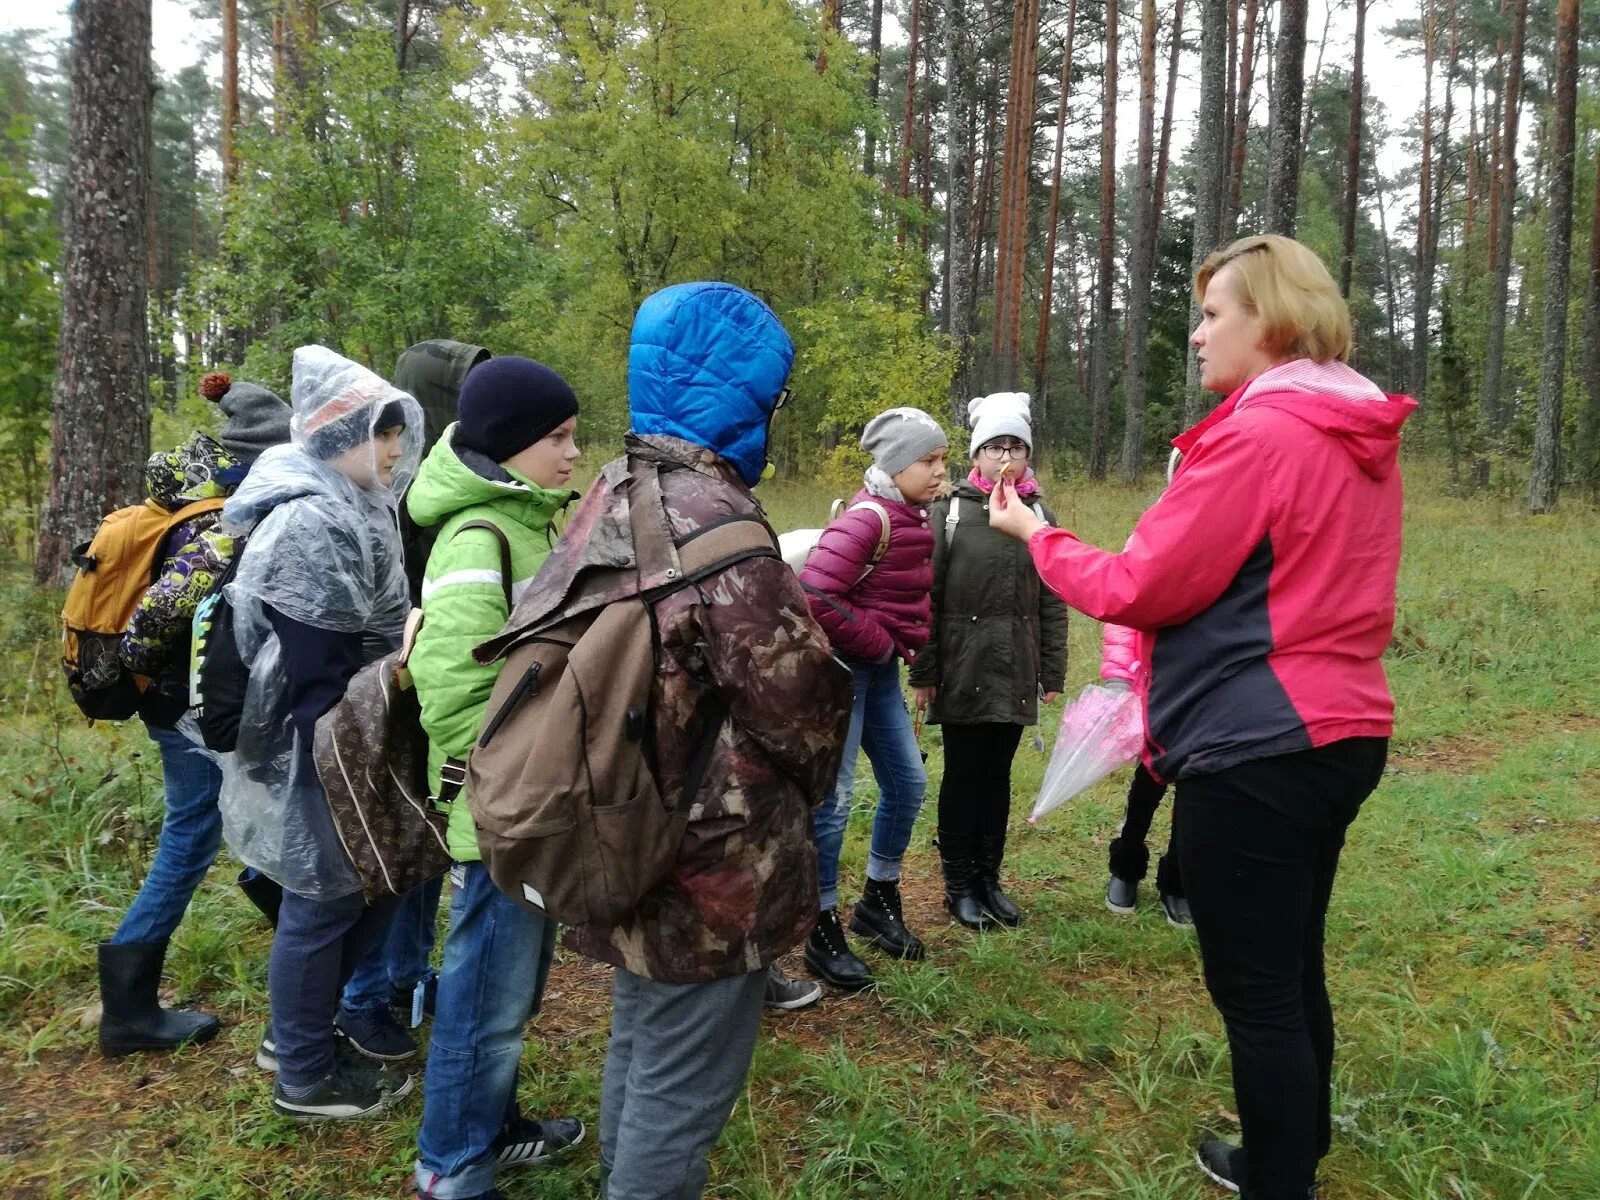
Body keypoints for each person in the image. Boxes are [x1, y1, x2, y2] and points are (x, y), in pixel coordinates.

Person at [988, 234, 1413, 1200]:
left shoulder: (1261, 435)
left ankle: (1278, 1182)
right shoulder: (1352, 432)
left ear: (1269, 319)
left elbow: (1143, 583)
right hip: (1342, 732)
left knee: (1257, 992)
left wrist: (1037, 533)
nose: (1197, 335)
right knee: (1293, 961)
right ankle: (1287, 1156)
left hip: (1257, 743)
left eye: (1214, 313)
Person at [506, 281, 850, 1199]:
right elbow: (802, 707)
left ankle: (626, 1176)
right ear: (746, 396)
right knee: (685, 1071)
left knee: (647, 1030)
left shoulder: (613, 492)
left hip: (618, 817)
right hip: (707, 859)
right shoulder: (722, 526)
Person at [217, 344, 424, 1120]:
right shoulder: (311, 520)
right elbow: (313, 673)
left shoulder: (352, 506)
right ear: (342, 438)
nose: (398, 452)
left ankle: (299, 1035)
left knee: (356, 890)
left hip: (348, 727)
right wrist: (397, 669)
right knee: (322, 898)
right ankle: (302, 1072)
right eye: (385, 435)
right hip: (319, 741)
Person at [406, 355, 587, 1199]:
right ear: (511, 443)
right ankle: (451, 1165)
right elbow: (451, 689)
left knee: (511, 993)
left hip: (535, 799)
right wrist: (521, 768)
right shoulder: (480, 537)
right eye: (557, 437)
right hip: (503, 808)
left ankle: (495, 1126)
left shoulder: (532, 520)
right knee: (484, 996)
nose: (573, 452)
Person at [98, 374, 292, 1057]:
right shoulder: (224, 519)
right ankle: (127, 1009)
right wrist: (174, 691)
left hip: (184, 705)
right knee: (193, 838)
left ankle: (314, 957)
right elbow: (151, 622)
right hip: (187, 712)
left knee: (241, 821)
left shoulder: (206, 503)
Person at [337, 338, 490, 1061]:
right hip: (389, 693)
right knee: (389, 849)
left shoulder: (446, 482)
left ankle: (403, 978)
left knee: (426, 840)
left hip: (432, 690)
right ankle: (359, 998)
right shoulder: (387, 492)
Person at [799, 407, 948, 990]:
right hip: (843, 676)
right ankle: (820, 923)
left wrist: (893, 650)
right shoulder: (867, 520)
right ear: (894, 465)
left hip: (880, 675)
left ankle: (877, 901)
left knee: (908, 784)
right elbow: (814, 594)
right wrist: (879, 639)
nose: (940, 471)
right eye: (927, 460)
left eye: (942, 459)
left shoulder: (909, 515)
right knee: (833, 805)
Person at [908, 392, 1068, 931]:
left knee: (997, 776)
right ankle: (958, 884)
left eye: (1015, 447)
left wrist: (1053, 670)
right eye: (994, 447)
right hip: (962, 664)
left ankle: (988, 879)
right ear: (975, 455)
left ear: (1028, 455)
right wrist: (925, 670)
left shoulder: (1039, 513)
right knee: (963, 775)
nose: (1005, 458)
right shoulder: (949, 511)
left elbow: (1052, 594)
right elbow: (925, 594)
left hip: (1015, 666)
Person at [1102, 450, 1190, 928]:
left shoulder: (1238, 530)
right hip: (1153, 682)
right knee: (1150, 780)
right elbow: (1122, 604)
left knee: (1196, 787)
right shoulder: (1152, 530)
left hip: (1207, 684)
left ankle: (1179, 879)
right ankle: (1126, 863)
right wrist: (1119, 678)